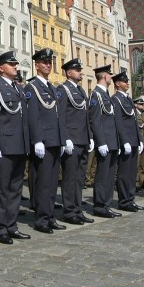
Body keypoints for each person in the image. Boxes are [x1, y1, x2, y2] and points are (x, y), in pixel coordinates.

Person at [0, 51, 31, 244]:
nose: (16, 67)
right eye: (11, 65)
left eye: (15, 64)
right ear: (1, 68)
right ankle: (0, 227)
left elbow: (24, 120)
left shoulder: (19, 89)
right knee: (2, 189)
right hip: (4, 147)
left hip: (19, 146)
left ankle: (11, 225)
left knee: (15, 189)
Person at [25, 48, 67, 233]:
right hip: (44, 141)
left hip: (55, 140)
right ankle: (41, 219)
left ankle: (50, 216)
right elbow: (33, 116)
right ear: (37, 65)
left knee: (52, 183)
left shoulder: (51, 87)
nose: (48, 65)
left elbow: (58, 116)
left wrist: (63, 139)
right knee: (43, 183)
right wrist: (38, 140)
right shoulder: (32, 87)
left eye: (50, 62)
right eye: (44, 62)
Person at [56, 59, 94, 225]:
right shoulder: (63, 90)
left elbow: (86, 117)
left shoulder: (80, 90)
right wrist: (65, 139)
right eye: (76, 70)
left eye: (79, 69)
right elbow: (61, 116)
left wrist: (90, 136)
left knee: (79, 178)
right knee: (70, 178)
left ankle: (78, 210)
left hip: (83, 139)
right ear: (68, 72)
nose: (80, 72)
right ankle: (69, 211)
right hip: (72, 140)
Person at [88, 65, 121, 218]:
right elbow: (95, 121)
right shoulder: (96, 95)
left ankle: (107, 204)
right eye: (109, 74)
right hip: (105, 142)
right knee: (102, 176)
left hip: (112, 141)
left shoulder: (106, 95)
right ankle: (100, 206)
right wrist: (101, 142)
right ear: (104, 77)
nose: (111, 77)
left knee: (109, 176)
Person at [110, 72, 144, 212]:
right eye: (124, 81)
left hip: (134, 140)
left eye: (127, 81)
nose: (127, 83)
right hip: (126, 142)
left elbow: (134, 121)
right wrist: (124, 141)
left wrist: (140, 139)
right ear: (117, 83)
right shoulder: (116, 99)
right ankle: (124, 201)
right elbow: (118, 122)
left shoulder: (128, 99)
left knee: (132, 172)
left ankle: (131, 198)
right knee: (124, 173)